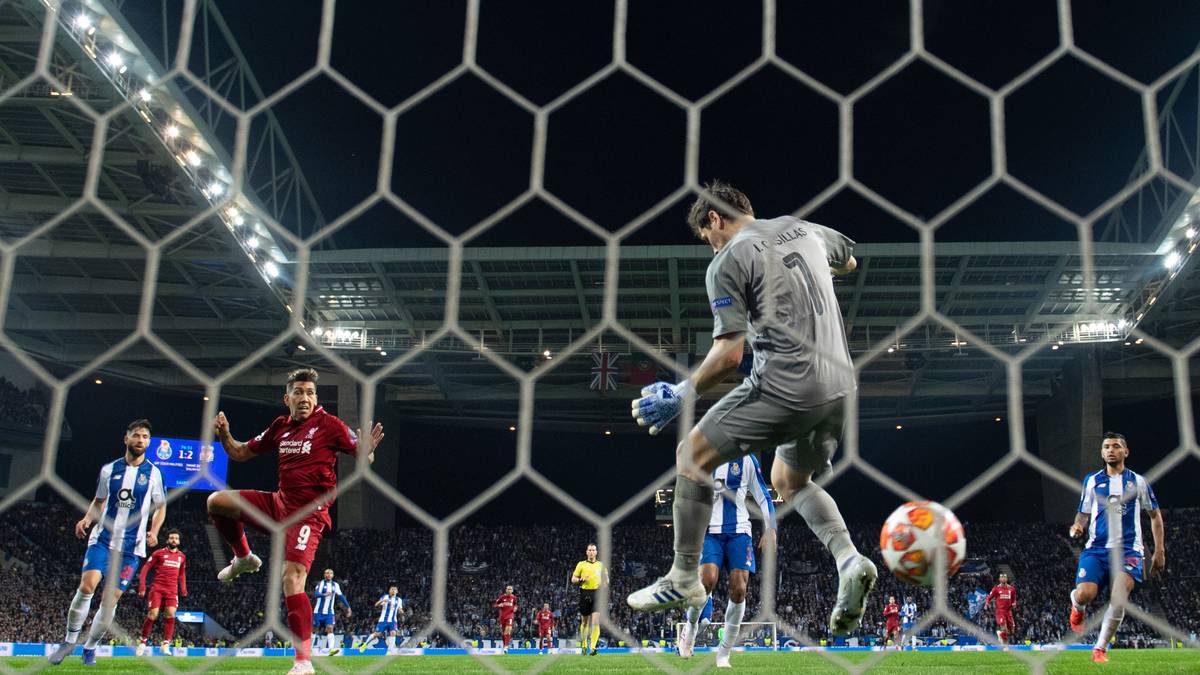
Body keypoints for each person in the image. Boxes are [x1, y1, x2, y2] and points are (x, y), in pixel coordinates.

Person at [628, 181, 875, 637]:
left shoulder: (728, 259)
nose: (712, 247)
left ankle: (683, 577)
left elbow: (729, 355)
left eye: (708, 239)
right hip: (840, 386)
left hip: (787, 385)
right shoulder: (802, 228)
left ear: (714, 218)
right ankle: (849, 559)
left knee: (691, 456)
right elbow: (850, 262)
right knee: (788, 480)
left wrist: (682, 393)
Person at [207, 367, 384, 675]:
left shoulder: (330, 425)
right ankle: (243, 557)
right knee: (216, 502)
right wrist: (224, 436)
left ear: (316, 398)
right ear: (286, 398)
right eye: (299, 392)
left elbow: (363, 456)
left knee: (292, 578)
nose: (305, 398)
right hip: (279, 504)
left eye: (311, 393)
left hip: (308, 514)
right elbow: (239, 452)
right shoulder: (280, 426)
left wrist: (367, 452)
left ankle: (303, 662)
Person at [48, 419, 166, 666]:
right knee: (87, 586)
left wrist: (154, 531)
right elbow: (99, 501)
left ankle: (90, 647)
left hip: (131, 548)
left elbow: (160, 506)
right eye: (136, 435)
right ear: (126, 438)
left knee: (110, 600)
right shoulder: (109, 470)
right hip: (102, 539)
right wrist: (86, 519)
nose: (140, 440)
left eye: (145, 437)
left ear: (149, 442)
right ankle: (69, 641)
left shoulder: (154, 474)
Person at [1067, 432, 1165, 664]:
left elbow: (1155, 516)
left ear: (1126, 452)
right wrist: (1077, 526)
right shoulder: (1092, 480)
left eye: (1116, 446)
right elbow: (1083, 513)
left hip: (1128, 550)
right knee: (1085, 594)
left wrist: (1159, 550)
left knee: (1119, 597)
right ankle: (1077, 606)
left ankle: (1100, 648)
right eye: (1107, 447)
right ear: (1102, 453)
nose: (1111, 450)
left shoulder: (1138, 482)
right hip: (1097, 549)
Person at [676, 455, 776, 668]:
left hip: (739, 532)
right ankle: (691, 626)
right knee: (707, 580)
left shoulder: (747, 460)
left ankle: (724, 653)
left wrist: (770, 528)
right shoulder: (704, 456)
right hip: (709, 531)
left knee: (739, 589)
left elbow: (763, 495)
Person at [136, 528, 188, 656]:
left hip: (172, 591)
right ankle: (143, 642)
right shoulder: (158, 553)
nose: (174, 540)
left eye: (176, 538)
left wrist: (183, 589)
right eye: (171, 538)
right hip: (157, 589)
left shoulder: (182, 557)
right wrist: (142, 586)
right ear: (167, 540)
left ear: (179, 541)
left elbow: (182, 574)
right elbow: (145, 568)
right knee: (153, 615)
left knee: (171, 614)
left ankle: (165, 645)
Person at [571, 544, 608, 655]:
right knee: (585, 622)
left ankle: (593, 647)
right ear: (587, 552)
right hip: (585, 593)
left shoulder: (601, 565)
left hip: (597, 593)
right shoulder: (581, 564)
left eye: (593, 550)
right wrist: (580, 580)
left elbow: (607, 580)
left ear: (596, 552)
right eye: (590, 550)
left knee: (596, 621)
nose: (591, 552)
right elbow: (573, 579)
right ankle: (584, 645)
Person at [311, 568, 351, 655]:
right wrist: (324, 594)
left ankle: (331, 649)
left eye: (330, 573)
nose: (329, 574)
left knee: (330, 628)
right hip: (318, 611)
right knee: (315, 629)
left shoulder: (335, 585)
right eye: (327, 573)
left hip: (329, 612)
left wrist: (348, 607)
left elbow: (341, 596)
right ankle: (309, 649)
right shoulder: (321, 584)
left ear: (333, 575)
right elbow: (316, 594)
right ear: (324, 575)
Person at [356, 585, 403, 651]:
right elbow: (376, 604)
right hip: (383, 620)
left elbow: (400, 608)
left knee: (393, 633)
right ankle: (365, 644)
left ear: (397, 591)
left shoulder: (399, 600)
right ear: (389, 591)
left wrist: (401, 611)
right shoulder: (385, 597)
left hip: (393, 620)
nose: (393, 590)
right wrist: (382, 601)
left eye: (394, 589)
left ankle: (390, 650)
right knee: (377, 634)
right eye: (392, 589)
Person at [984, 573, 1016, 645]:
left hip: (1009, 611)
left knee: (1012, 631)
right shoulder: (996, 589)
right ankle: (1005, 646)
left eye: (1005, 577)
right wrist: (986, 604)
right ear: (999, 579)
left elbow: (1014, 599)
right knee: (1003, 627)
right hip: (1000, 611)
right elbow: (989, 597)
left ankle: (1000, 634)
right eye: (1002, 577)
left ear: (1007, 579)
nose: (1003, 578)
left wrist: (1014, 603)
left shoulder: (1012, 589)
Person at [492, 585, 518, 653]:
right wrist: (498, 605)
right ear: (506, 590)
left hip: (510, 616)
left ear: (512, 590)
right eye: (508, 589)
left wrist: (515, 608)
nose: (509, 590)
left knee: (508, 630)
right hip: (502, 617)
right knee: (503, 633)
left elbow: (515, 604)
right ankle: (505, 646)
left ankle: (506, 647)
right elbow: (494, 605)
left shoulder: (514, 598)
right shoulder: (502, 597)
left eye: (510, 589)